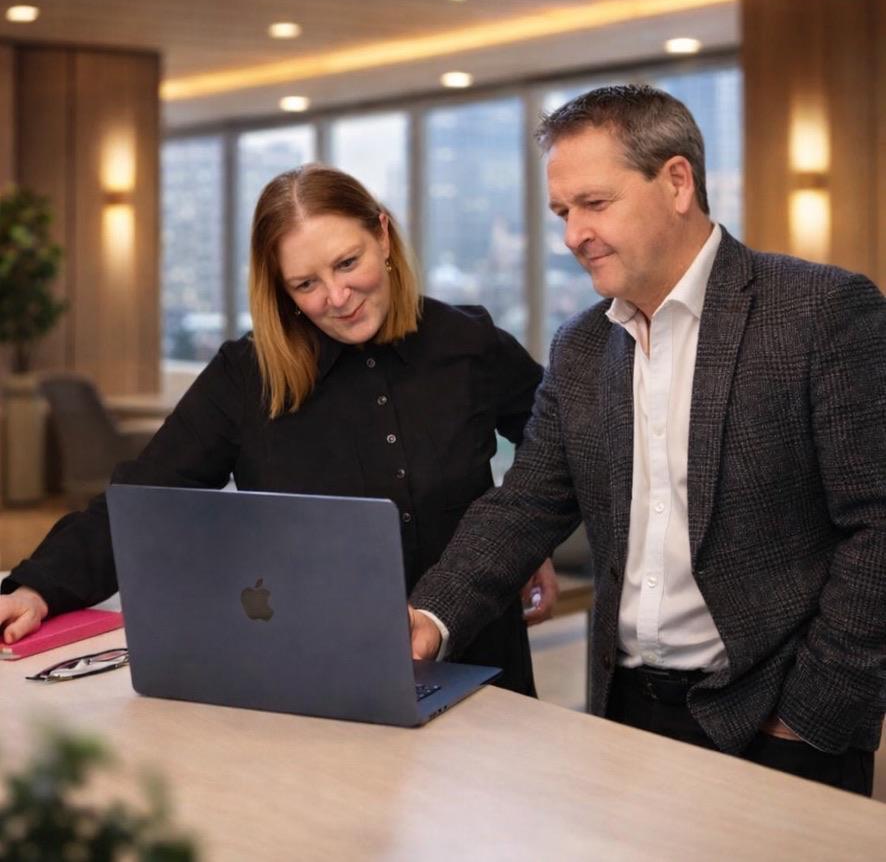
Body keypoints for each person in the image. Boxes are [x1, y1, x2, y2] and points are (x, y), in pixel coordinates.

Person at [409, 84, 886, 794]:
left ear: (676, 182)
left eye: (595, 205)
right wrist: (430, 616)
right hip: (623, 712)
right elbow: (527, 506)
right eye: (563, 212)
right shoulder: (580, 347)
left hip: (780, 721)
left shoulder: (821, 312)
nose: (573, 235)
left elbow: (877, 525)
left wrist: (811, 714)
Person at [0, 164, 558, 696]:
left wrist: (519, 543)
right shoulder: (245, 377)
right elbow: (145, 500)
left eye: (347, 263)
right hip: (318, 667)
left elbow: (556, 447)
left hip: (481, 657)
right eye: (305, 284)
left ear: (383, 236)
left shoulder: (469, 342)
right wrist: (40, 586)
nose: (336, 299)